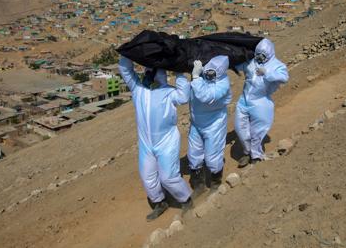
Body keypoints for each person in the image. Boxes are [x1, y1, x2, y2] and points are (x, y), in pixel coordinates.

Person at [118, 56, 193, 221]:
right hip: (146, 144)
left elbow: (184, 97)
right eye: (148, 71)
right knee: (148, 177)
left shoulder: (169, 92)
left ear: (161, 74)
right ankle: (160, 202)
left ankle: (187, 199)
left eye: (153, 72)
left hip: (166, 142)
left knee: (168, 177)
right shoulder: (139, 90)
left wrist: (179, 72)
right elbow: (125, 70)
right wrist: (127, 54)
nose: (149, 75)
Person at [234, 38, 289, 167]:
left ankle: (256, 156)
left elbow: (284, 77)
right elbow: (237, 65)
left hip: (261, 101)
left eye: (263, 55)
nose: (260, 57)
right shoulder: (251, 61)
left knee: (257, 131)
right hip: (244, 100)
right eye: (257, 54)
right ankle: (247, 152)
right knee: (240, 128)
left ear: (269, 53)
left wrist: (267, 73)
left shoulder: (277, 65)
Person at [187, 55, 232, 195]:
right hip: (196, 122)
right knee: (194, 154)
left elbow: (205, 96)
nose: (208, 74)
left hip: (214, 124)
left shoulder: (223, 84)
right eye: (208, 71)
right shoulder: (203, 75)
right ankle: (198, 184)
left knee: (213, 155)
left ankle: (215, 183)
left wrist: (195, 77)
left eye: (213, 73)